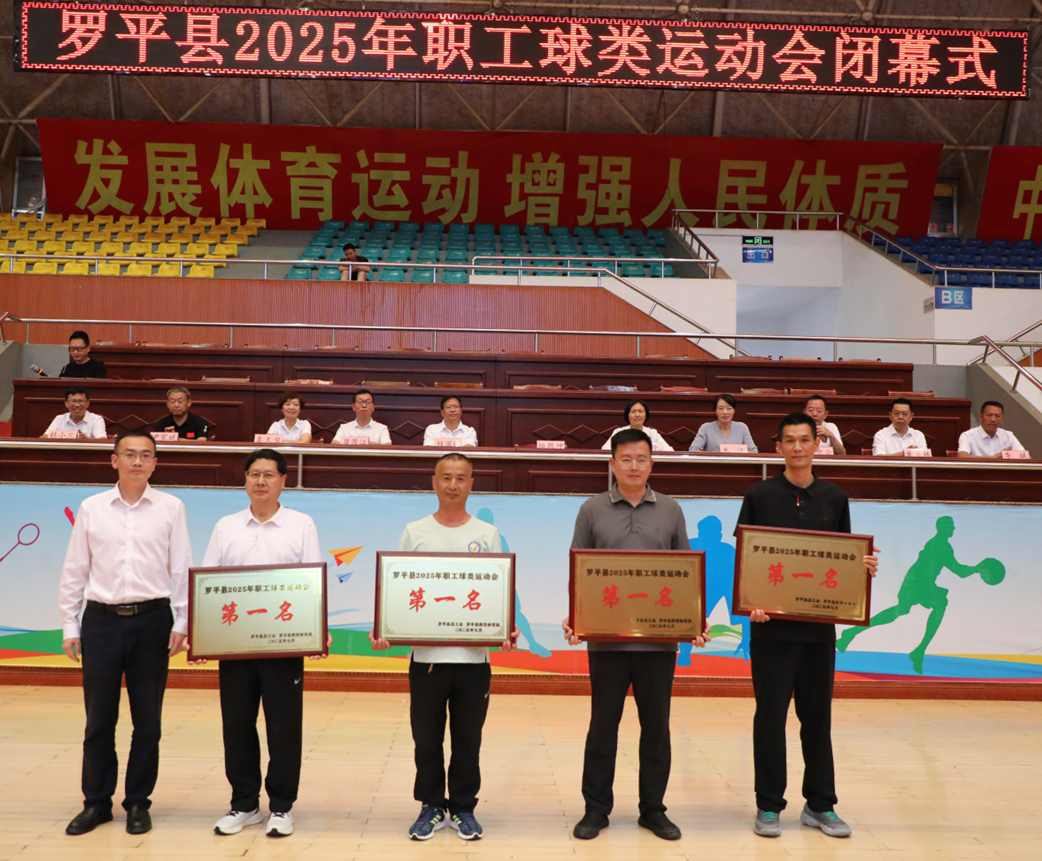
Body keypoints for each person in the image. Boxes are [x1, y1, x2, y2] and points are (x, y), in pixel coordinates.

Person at [735, 412, 878, 840]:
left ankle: (820, 804)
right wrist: (751, 604)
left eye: (804, 440)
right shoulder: (759, 495)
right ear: (778, 447)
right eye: (789, 441)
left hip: (818, 632)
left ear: (817, 445)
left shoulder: (835, 497)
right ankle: (768, 805)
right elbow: (746, 558)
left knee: (817, 718)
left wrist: (864, 569)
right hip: (771, 630)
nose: (797, 447)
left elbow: (846, 557)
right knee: (770, 718)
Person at [565, 428, 711, 842]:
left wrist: (694, 621)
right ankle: (596, 809)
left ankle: (653, 809)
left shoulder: (671, 509)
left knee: (656, 727)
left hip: (659, 641)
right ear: (612, 464)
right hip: (606, 639)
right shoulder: (591, 509)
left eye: (641, 459)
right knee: (602, 726)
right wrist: (576, 616)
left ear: (652, 463)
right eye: (626, 459)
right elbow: (579, 569)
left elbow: (686, 571)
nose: (633, 467)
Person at [369, 453, 518, 841]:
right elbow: (399, 588)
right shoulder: (414, 531)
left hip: (474, 659)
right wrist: (385, 628)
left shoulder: (487, 534)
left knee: (469, 739)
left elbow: (497, 592)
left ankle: (464, 808)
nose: (453, 485)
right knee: (426, 738)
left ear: (472, 484)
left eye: (461, 478)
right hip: (427, 659)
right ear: (433, 483)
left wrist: (505, 628)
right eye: (446, 477)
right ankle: (431, 806)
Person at [58, 429, 192, 836]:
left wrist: (182, 621)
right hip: (101, 621)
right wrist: (70, 623)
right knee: (99, 719)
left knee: (147, 720)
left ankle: (137, 802)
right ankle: (97, 802)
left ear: (155, 463)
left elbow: (181, 567)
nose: (138, 461)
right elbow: (75, 569)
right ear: (114, 460)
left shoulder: (171, 507)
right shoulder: (92, 507)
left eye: (146, 455)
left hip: (153, 620)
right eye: (129, 454)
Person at [200, 449, 328, 838]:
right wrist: (202, 634)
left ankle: (282, 806)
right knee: (237, 723)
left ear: (283, 481)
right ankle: (245, 804)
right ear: (245, 480)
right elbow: (208, 579)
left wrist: (317, 627)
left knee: (284, 726)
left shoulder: (301, 524)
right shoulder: (226, 526)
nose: (260, 481)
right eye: (254, 474)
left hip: (283, 643)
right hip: (235, 643)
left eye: (269, 475)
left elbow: (312, 580)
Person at [837, 516, 1002, 675]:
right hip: (917, 582)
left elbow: (958, 571)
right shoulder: (937, 544)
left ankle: (852, 633)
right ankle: (918, 650)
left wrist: (977, 568)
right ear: (943, 528)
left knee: (904, 610)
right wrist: (932, 590)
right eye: (950, 526)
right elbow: (930, 570)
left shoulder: (944, 545)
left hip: (919, 582)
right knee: (928, 606)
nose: (953, 528)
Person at [688, 394, 758, 452]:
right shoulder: (706, 428)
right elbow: (693, 450)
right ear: (715, 411)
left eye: (729, 408)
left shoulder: (742, 428)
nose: (725, 412)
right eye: (721, 408)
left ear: (734, 410)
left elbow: (754, 451)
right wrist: (715, 455)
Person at [956, 401, 1025, 458]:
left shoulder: (1008, 435)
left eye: (997, 416)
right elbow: (962, 456)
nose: (993, 419)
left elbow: (1026, 457)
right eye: (989, 415)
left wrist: (1007, 456)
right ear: (981, 417)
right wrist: (993, 458)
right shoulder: (968, 435)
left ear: (1002, 419)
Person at [601, 399, 674, 452]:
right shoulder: (619, 432)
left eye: (641, 411)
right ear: (628, 415)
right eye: (633, 411)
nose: (637, 415)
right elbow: (605, 450)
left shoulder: (653, 433)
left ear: (645, 415)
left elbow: (669, 452)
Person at [41, 387, 107, 439]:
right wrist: (63, 437)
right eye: (73, 401)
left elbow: (102, 440)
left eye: (81, 401)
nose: (77, 405)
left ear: (88, 403)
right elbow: (43, 438)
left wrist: (87, 440)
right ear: (66, 403)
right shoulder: (59, 419)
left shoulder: (96, 419)